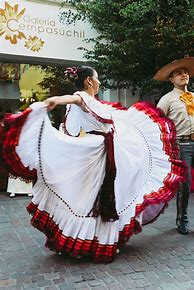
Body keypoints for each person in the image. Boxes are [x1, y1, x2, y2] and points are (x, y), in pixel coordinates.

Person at [0, 65, 185, 262]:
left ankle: (97, 239)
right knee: (97, 197)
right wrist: (51, 101)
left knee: (105, 196)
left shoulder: (94, 102)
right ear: (89, 80)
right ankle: (93, 241)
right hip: (98, 153)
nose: (99, 82)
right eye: (97, 79)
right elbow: (70, 100)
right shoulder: (81, 97)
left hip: (107, 152)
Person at [154, 56, 194, 235]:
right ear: (171, 79)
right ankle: (182, 220)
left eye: (185, 72)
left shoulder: (193, 96)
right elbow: (156, 121)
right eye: (178, 73)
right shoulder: (167, 99)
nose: (183, 75)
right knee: (185, 185)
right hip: (181, 145)